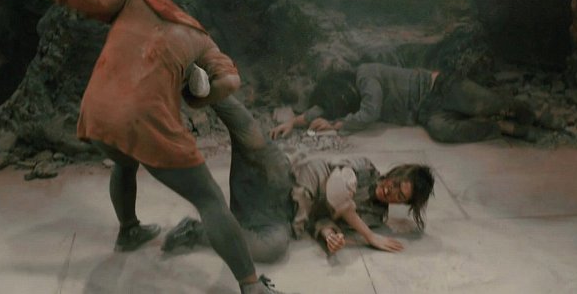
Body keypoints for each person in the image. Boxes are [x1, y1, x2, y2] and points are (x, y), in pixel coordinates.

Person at [0, 0, 289, 294]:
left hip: (97, 114)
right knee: (209, 199)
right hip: (143, 122)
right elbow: (231, 81)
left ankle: (129, 230)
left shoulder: (133, 0)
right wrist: (197, 99)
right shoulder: (201, 39)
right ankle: (251, 286)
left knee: (124, 161)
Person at [162, 95, 435, 259]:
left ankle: (195, 231)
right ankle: (212, 88)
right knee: (255, 138)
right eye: (395, 184)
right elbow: (336, 191)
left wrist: (330, 236)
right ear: (394, 174)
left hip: (283, 215)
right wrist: (369, 237)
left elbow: (325, 220)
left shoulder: (375, 217)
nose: (390, 192)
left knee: (273, 249)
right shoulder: (364, 168)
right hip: (281, 179)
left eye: (400, 196)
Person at [270, 63, 536, 144]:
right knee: (442, 131)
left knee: (487, 103)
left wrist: (336, 125)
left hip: (440, 87)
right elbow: (324, 108)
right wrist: (292, 122)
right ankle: (500, 128)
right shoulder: (348, 98)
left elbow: (370, 112)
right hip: (427, 111)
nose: (342, 103)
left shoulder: (365, 75)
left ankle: (538, 115)